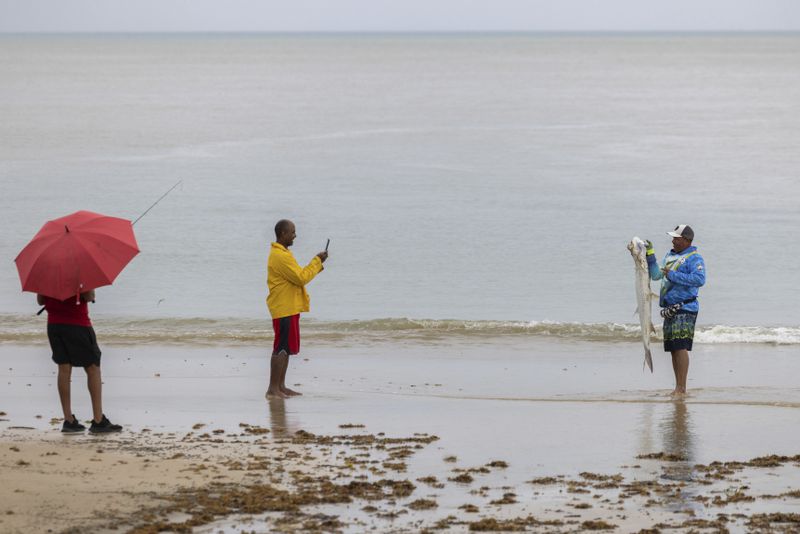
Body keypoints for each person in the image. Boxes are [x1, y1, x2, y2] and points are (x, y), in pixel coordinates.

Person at [37, 290, 123, 433]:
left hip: (54, 325)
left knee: (63, 368)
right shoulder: (80, 269)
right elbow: (89, 296)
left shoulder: (46, 270)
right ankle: (98, 420)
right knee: (93, 367)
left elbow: (41, 301)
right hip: (78, 323)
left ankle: (69, 420)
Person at [266, 219, 328, 398]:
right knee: (281, 348)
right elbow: (301, 278)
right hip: (283, 307)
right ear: (283, 234)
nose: (295, 235)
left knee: (287, 348)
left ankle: (281, 386)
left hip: (289, 306)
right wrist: (317, 261)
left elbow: (298, 276)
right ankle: (272, 389)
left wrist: (317, 265)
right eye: (293, 232)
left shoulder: (283, 253)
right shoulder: (280, 256)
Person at [645, 225, 706, 398]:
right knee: (673, 348)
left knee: (681, 347)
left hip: (686, 307)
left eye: (676, 238)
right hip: (670, 310)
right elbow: (657, 275)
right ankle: (678, 387)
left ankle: (682, 388)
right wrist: (650, 256)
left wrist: (673, 275)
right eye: (673, 238)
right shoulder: (669, 256)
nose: (673, 240)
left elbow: (699, 279)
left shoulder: (695, 258)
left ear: (686, 240)